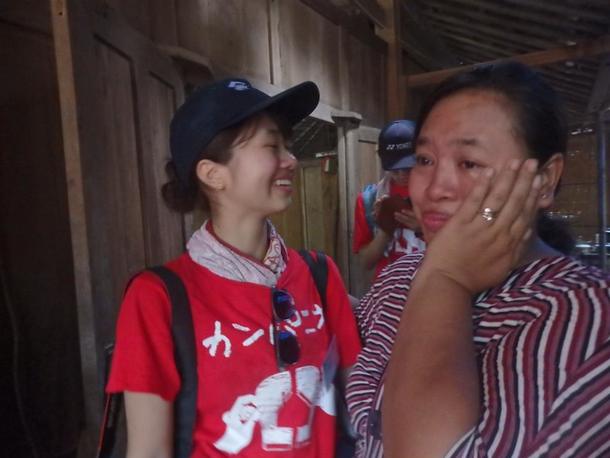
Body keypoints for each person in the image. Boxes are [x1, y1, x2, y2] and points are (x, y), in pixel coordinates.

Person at [346, 61, 610, 457]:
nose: (435, 189)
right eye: (424, 160)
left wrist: (446, 277)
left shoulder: (590, 318)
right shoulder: (400, 278)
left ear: (545, 180)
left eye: (469, 163)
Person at [106, 78, 361, 457]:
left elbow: (360, 410)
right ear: (213, 174)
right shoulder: (157, 297)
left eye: (287, 146)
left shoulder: (321, 276)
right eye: (271, 146)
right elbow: (149, 451)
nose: (290, 160)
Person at [352, 120, 426, 278]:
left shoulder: (440, 195)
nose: (401, 175)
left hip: (430, 287)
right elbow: (365, 263)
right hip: (387, 289)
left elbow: (461, 254)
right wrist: (385, 229)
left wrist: (423, 229)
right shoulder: (369, 200)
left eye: (408, 168)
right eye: (395, 169)